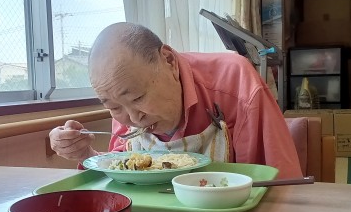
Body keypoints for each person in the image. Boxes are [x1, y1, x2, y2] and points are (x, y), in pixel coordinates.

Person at [49, 22, 302, 179]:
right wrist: (86, 154)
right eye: (113, 107)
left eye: (138, 97)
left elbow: (281, 183)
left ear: (169, 61)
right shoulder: (125, 105)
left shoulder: (234, 81)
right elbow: (120, 173)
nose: (133, 118)